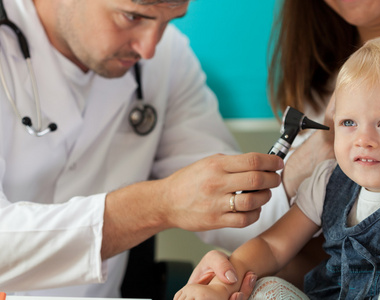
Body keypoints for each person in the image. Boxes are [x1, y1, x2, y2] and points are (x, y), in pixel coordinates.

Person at [0, 0, 285, 297]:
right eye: (132, 16)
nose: (148, 49)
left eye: (168, 21)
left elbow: (239, 205)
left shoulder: (167, 57)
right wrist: (158, 204)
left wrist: (311, 161)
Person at [194, 0, 380, 298]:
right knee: (265, 288)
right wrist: (224, 279)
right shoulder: (327, 181)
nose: (363, 139)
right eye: (348, 122)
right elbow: (272, 245)